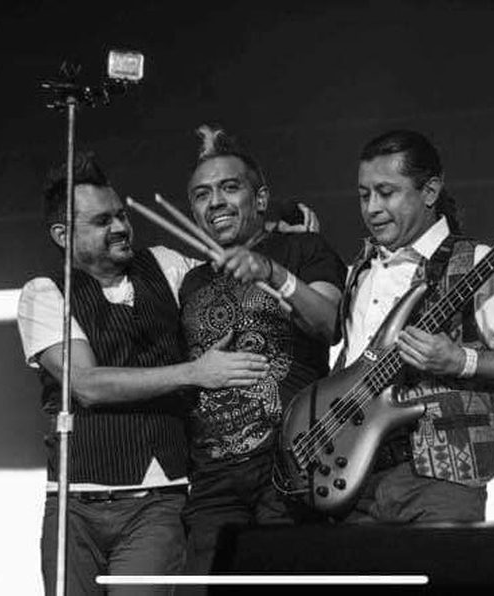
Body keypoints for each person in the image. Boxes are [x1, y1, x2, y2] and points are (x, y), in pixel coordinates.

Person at [16, 151, 273, 596]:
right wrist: (194, 373)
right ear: (62, 234)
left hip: (159, 500)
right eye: (102, 221)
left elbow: (231, 273)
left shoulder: (165, 265)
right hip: (74, 508)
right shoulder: (44, 294)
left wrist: (277, 228)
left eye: (121, 215)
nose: (120, 227)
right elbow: (87, 385)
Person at [334, 129, 494, 524]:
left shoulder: (477, 262)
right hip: (357, 479)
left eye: (386, 192)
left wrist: (460, 360)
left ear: (430, 191)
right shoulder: (360, 271)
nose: (372, 208)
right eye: (364, 195)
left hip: (442, 482)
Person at [176, 125, 348, 577]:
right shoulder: (192, 281)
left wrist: (271, 271)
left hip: (292, 465)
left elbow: (329, 324)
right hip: (213, 481)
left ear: (261, 198)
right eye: (201, 195)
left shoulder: (304, 248)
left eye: (229, 188)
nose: (215, 202)